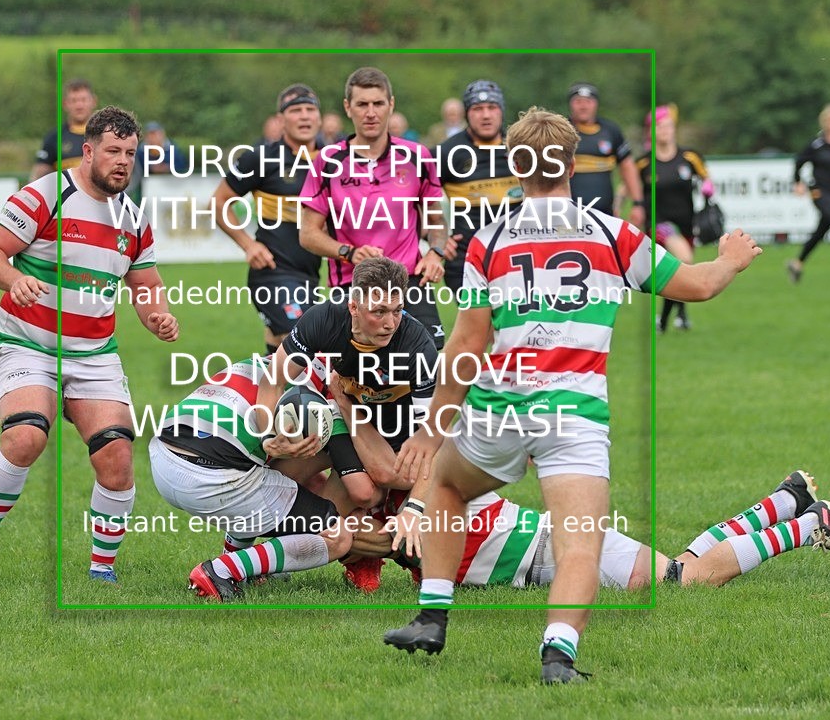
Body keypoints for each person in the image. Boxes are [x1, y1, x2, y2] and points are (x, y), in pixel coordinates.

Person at [383, 106, 762, 684]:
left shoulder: (491, 239)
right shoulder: (613, 235)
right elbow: (698, 285)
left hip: (500, 406)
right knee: (579, 541)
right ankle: (558, 656)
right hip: (574, 412)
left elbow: (466, 342)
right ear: (572, 164)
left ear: (514, 164)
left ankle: (433, 615)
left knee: (448, 484)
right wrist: (730, 261)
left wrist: (433, 431)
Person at [0, 106, 180, 587]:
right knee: (25, 437)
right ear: (88, 150)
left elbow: (147, 283)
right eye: (113, 151)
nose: (122, 162)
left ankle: (102, 572)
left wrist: (157, 315)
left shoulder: (133, 219)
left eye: (131, 154)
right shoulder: (46, 194)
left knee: (116, 458)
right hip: (27, 344)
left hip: (94, 355)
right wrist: (14, 280)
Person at [258, 257, 439, 592]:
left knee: (376, 488)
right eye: (380, 311)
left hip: (395, 435)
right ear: (353, 306)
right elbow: (272, 382)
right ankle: (241, 549)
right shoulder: (324, 320)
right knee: (275, 477)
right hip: (342, 416)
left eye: (397, 310)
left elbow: (433, 440)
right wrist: (269, 437)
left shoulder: (418, 346)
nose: (390, 323)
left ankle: (389, 549)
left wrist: (414, 509)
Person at [366, 470, 830, 594]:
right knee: (681, 567)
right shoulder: (418, 494)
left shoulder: (420, 498)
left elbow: (354, 534)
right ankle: (787, 500)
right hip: (559, 542)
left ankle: (810, 525)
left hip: (562, 548)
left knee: (685, 580)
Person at [149, 354, 380, 601]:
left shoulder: (275, 361)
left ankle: (240, 561)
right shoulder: (326, 397)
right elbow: (363, 492)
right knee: (337, 537)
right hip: (212, 479)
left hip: (163, 459)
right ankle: (222, 570)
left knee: (266, 474)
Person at [298, 66, 449, 349]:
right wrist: (349, 252)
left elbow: (436, 220)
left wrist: (436, 254)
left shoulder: (417, 157)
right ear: (348, 107)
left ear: (391, 105)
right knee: (355, 378)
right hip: (352, 287)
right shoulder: (328, 161)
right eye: (362, 104)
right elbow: (308, 234)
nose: (371, 112)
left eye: (378, 103)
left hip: (409, 285)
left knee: (428, 374)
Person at [211, 84, 323, 354]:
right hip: (272, 273)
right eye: (296, 110)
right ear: (281, 120)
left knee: (281, 350)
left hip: (310, 275)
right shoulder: (260, 158)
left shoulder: (334, 160)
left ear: (319, 118)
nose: (305, 116)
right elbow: (219, 202)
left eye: (310, 110)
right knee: (303, 342)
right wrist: (248, 245)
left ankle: (264, 393)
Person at [636, 104, 715, 332]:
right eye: (660, 127)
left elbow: (706, 177)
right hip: (658, 224)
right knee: (684, 259)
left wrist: (708, 187)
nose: (666, 131)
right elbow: (628, 189)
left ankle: (669, 318)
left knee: (679, 270)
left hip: (686, 223)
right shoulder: (644, 163)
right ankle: (669, 318)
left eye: (669, 126)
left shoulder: (689, 156)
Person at [434, 79, 517, 294]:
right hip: (466, 261)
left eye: (492, 107)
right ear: (466, 114)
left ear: (501, 111)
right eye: (478, 109)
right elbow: (415, 199)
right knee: (478, 329)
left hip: (517, 257)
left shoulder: (521, 147)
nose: (486, 115)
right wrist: (435, 236)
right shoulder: (446, 153)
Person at [787, 103, 830, 283]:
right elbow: (799, 162)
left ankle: (796, 263)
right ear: (827, 123)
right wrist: (797, 182)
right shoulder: (817, 145)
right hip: (819, 193)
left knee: (821, 231)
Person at [567, 82, 643, 218]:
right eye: (578, 101)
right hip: (567, 213)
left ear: (596, 104)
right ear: (570, 104)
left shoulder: (610, 130)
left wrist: (637, 203)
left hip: (605, 213)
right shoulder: (561, 131)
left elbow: (627, 166)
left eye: (588, 101)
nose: (583, 106)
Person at [31, 78, 98, 181]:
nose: (79, 105)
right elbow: (38, 177)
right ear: (65, 104)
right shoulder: (54, 138)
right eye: (74, 101)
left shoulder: (104, 135)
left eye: (83, 100)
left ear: (93, 101)